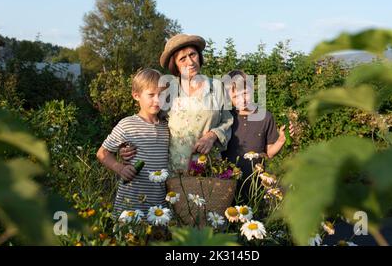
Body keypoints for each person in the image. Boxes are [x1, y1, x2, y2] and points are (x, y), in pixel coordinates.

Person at [120, 34, 233, 175]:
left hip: (209, 166)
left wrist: (212, 135)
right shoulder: (167, 90)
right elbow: (148, 120)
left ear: (199, 56)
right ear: (175, 65)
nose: (190, 62)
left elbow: (227, 121)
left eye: (193, 54)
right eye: (182, 59)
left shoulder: (216, 86)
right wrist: (128, 146)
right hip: (175, 169)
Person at [96, 69, 169, 217]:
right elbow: (102, 153)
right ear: (136, 95)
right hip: (131, 201)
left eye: (161, 95)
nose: (157, 100)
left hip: (158, 204)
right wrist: (119, 168)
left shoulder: (167, 126)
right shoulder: (127, 125)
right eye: (151, 95)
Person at [221, 69, 294, 202]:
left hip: (255, 183)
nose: (241, 100)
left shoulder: (265, 117)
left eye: (245, 93)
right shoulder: (225, 117)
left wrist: (282, 140)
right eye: (235, 96)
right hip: (228, 183)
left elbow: (269, 153)